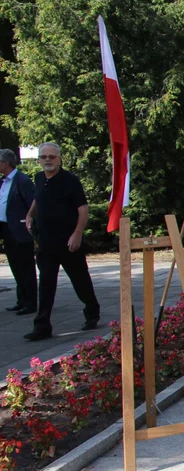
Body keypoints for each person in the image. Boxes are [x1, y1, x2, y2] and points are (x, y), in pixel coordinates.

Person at [24, 142, 99, 341]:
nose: (48, 160)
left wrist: (77, 233)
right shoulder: (39, 178)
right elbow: (37, 199)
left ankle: (92, 312)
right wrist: (30, 215)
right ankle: (42, 326)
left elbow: (83, 209)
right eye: (44, 157)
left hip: (68, 241)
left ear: (59, 159)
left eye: (52, 157)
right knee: (46, 283)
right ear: (39, 159)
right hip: (45, 242)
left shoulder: (70, 180)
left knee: (80, 279)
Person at [0, 149, 37, 315]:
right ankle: (21, 299)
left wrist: (30, 223)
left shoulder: (22, 180)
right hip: (6, 229)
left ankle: (31, 302)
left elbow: (33, 203)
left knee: (26, 267)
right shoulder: (3, 181)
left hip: (21, 230)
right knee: (15, 266)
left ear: (5, 163)